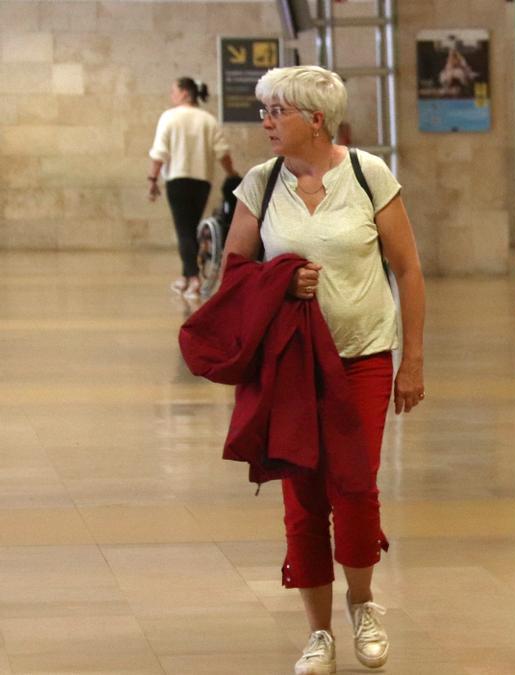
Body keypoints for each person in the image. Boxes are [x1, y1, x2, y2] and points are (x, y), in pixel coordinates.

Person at [222, 65, 426, 675]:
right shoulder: (260, 184)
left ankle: (362, 605)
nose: (265, 122)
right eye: (264, 110)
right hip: (292, 367)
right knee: (303, 498)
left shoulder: (368, 175)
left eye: (276, 111)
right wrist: (281, 280)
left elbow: (408, 271)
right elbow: (232, 276)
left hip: (362, 357)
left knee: (355, 487)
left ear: (315, 119)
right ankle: (318, 633)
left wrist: (411, 360)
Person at [148, 77, 236, 299]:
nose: (171, 95)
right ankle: (186, 277)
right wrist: (232, 173)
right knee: (191, 227)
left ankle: (194, 279)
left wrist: (152, 178)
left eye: (173, 91)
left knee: (184, 230)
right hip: (202, 181)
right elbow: (222, 151)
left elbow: (160, 152)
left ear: (185, 93)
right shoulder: (208, 120)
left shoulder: (169, 117)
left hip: (177, 180)